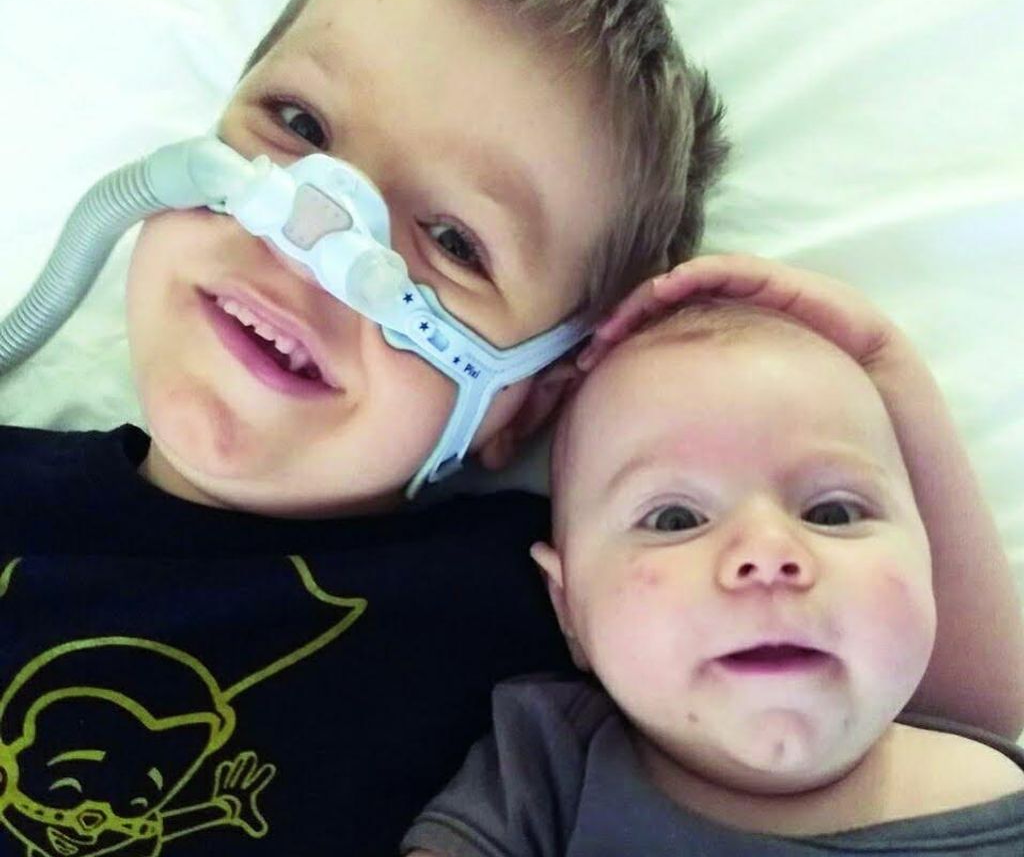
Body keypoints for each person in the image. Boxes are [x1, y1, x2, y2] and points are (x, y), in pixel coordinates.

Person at [0, 0, 728, 857]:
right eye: (298, 125)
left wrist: (876, 379)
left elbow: (869, 708)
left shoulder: (532, 608)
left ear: (526, 404)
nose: (311, 236)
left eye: (454, 241)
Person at [403, 255, 1024, 855]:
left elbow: (991, 688)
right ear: (569, 610)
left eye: (833, 513)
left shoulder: (986, 777)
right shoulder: (549, 768)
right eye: (675, 520)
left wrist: (885, 362)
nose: (768, 554)